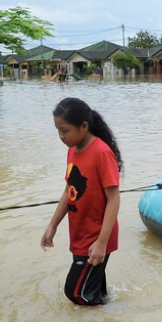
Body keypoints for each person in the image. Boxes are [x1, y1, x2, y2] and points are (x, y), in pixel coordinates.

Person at [40, 97, 123, 305]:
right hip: (80, 233)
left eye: (65, 130)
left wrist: (101, 242)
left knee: (75, 293)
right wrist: (52, 226)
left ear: (84, 126)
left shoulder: (101, 153)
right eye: (57, 130)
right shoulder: (72, 150)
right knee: (92, 290)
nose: (61, 136)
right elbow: (70, 190)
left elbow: (114, 199)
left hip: (96, 237)